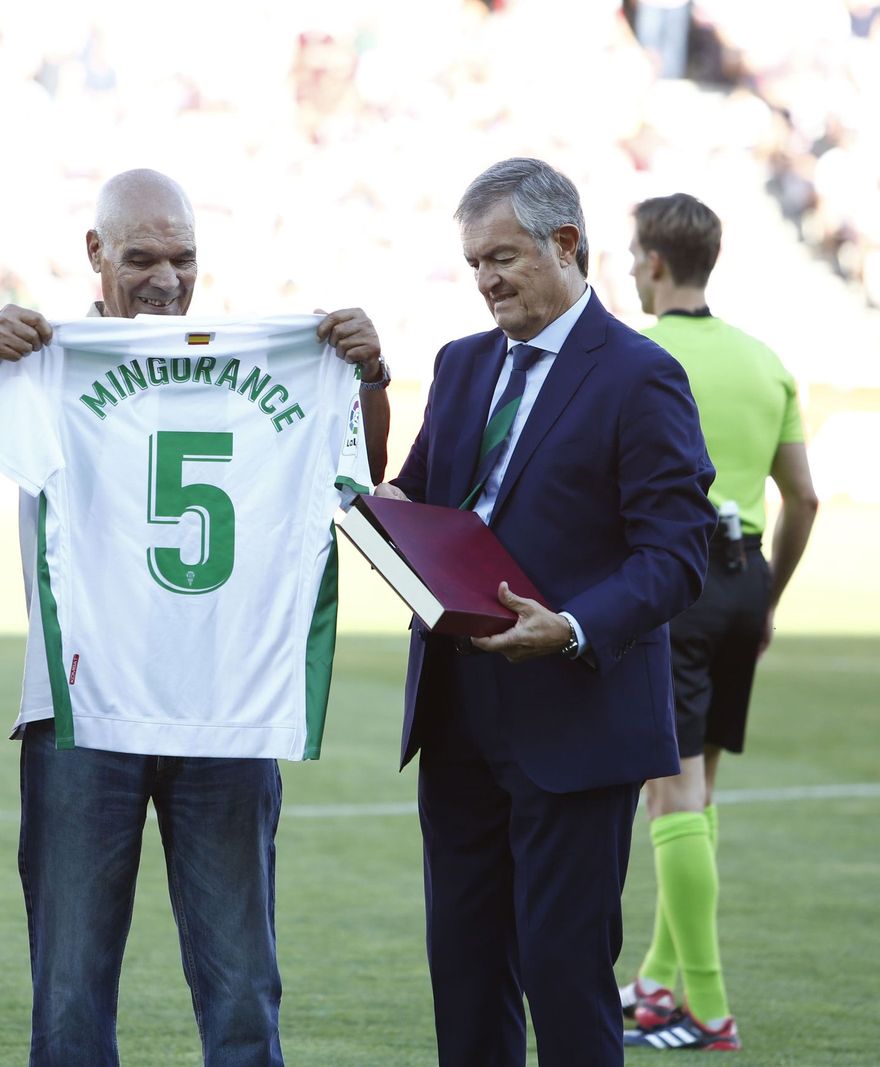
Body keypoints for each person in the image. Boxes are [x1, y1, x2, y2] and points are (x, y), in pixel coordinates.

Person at [0, 168, 389, 1067]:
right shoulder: (51, 356)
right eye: (141, 257)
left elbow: (365, 460)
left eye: (183, 258)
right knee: (69, 988)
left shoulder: (271, 352)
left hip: (229, 706)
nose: (166, 279)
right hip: (84, 709)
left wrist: (368, 373)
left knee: (244, 984)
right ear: (95, 253)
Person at [376, 157, 715, 1066]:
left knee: (564, 979)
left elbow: (677, 554)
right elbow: (414, 498)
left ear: (566, 244)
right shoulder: (459, 365)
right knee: (465, 973)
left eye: (502, 258)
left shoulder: (641, 375)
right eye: (474, 263)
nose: (485, 281)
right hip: (456, 715)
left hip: (576, 715)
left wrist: (569, 626)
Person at [619, 192, 819, 1052]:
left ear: (656, 264)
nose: (629, 270)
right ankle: (661, 981)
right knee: (695, 792)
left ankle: (706, 1003)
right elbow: (802, 496)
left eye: (632, 256)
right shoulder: (765, 358)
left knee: (669, 794)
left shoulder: (634, 357)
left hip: (680, 585)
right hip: (745, 583)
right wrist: (768, 598)